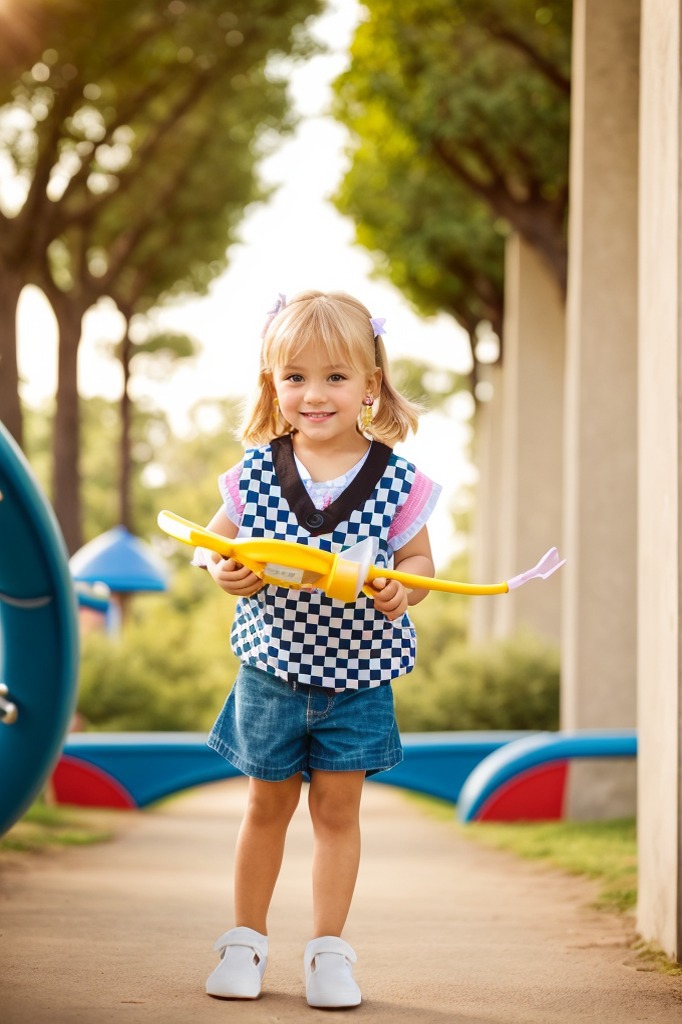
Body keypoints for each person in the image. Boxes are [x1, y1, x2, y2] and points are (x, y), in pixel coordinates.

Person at [195, 289, 441, 1008]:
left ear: (371, 382)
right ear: (272, 382)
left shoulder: (398, 480)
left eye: (336, 376)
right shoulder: (252, 472)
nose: (314, 393)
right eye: (295, 375)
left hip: (360, 677)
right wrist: (225, 571)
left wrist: (406, 590)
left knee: (338, 813)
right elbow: (214, 548)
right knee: (265, 807)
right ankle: (244, 941)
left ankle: (329, 953)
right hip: (271, 672)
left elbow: (420, 565)